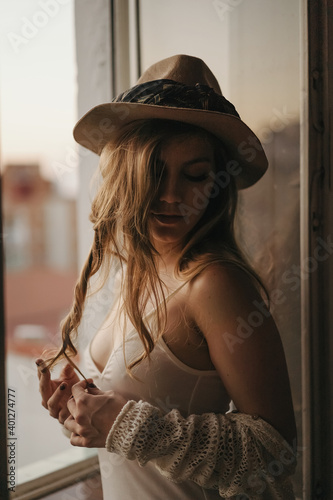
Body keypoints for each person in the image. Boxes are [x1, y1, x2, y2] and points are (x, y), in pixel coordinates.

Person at [36, 54, 297, 499]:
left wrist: (128, 427)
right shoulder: (139, 272)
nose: (172, 196)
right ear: (126, 173)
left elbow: (276, 453)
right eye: (155, 173)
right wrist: (82, 411)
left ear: (217, 184)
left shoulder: (215, 284)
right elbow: (127, 428)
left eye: (195, 175)